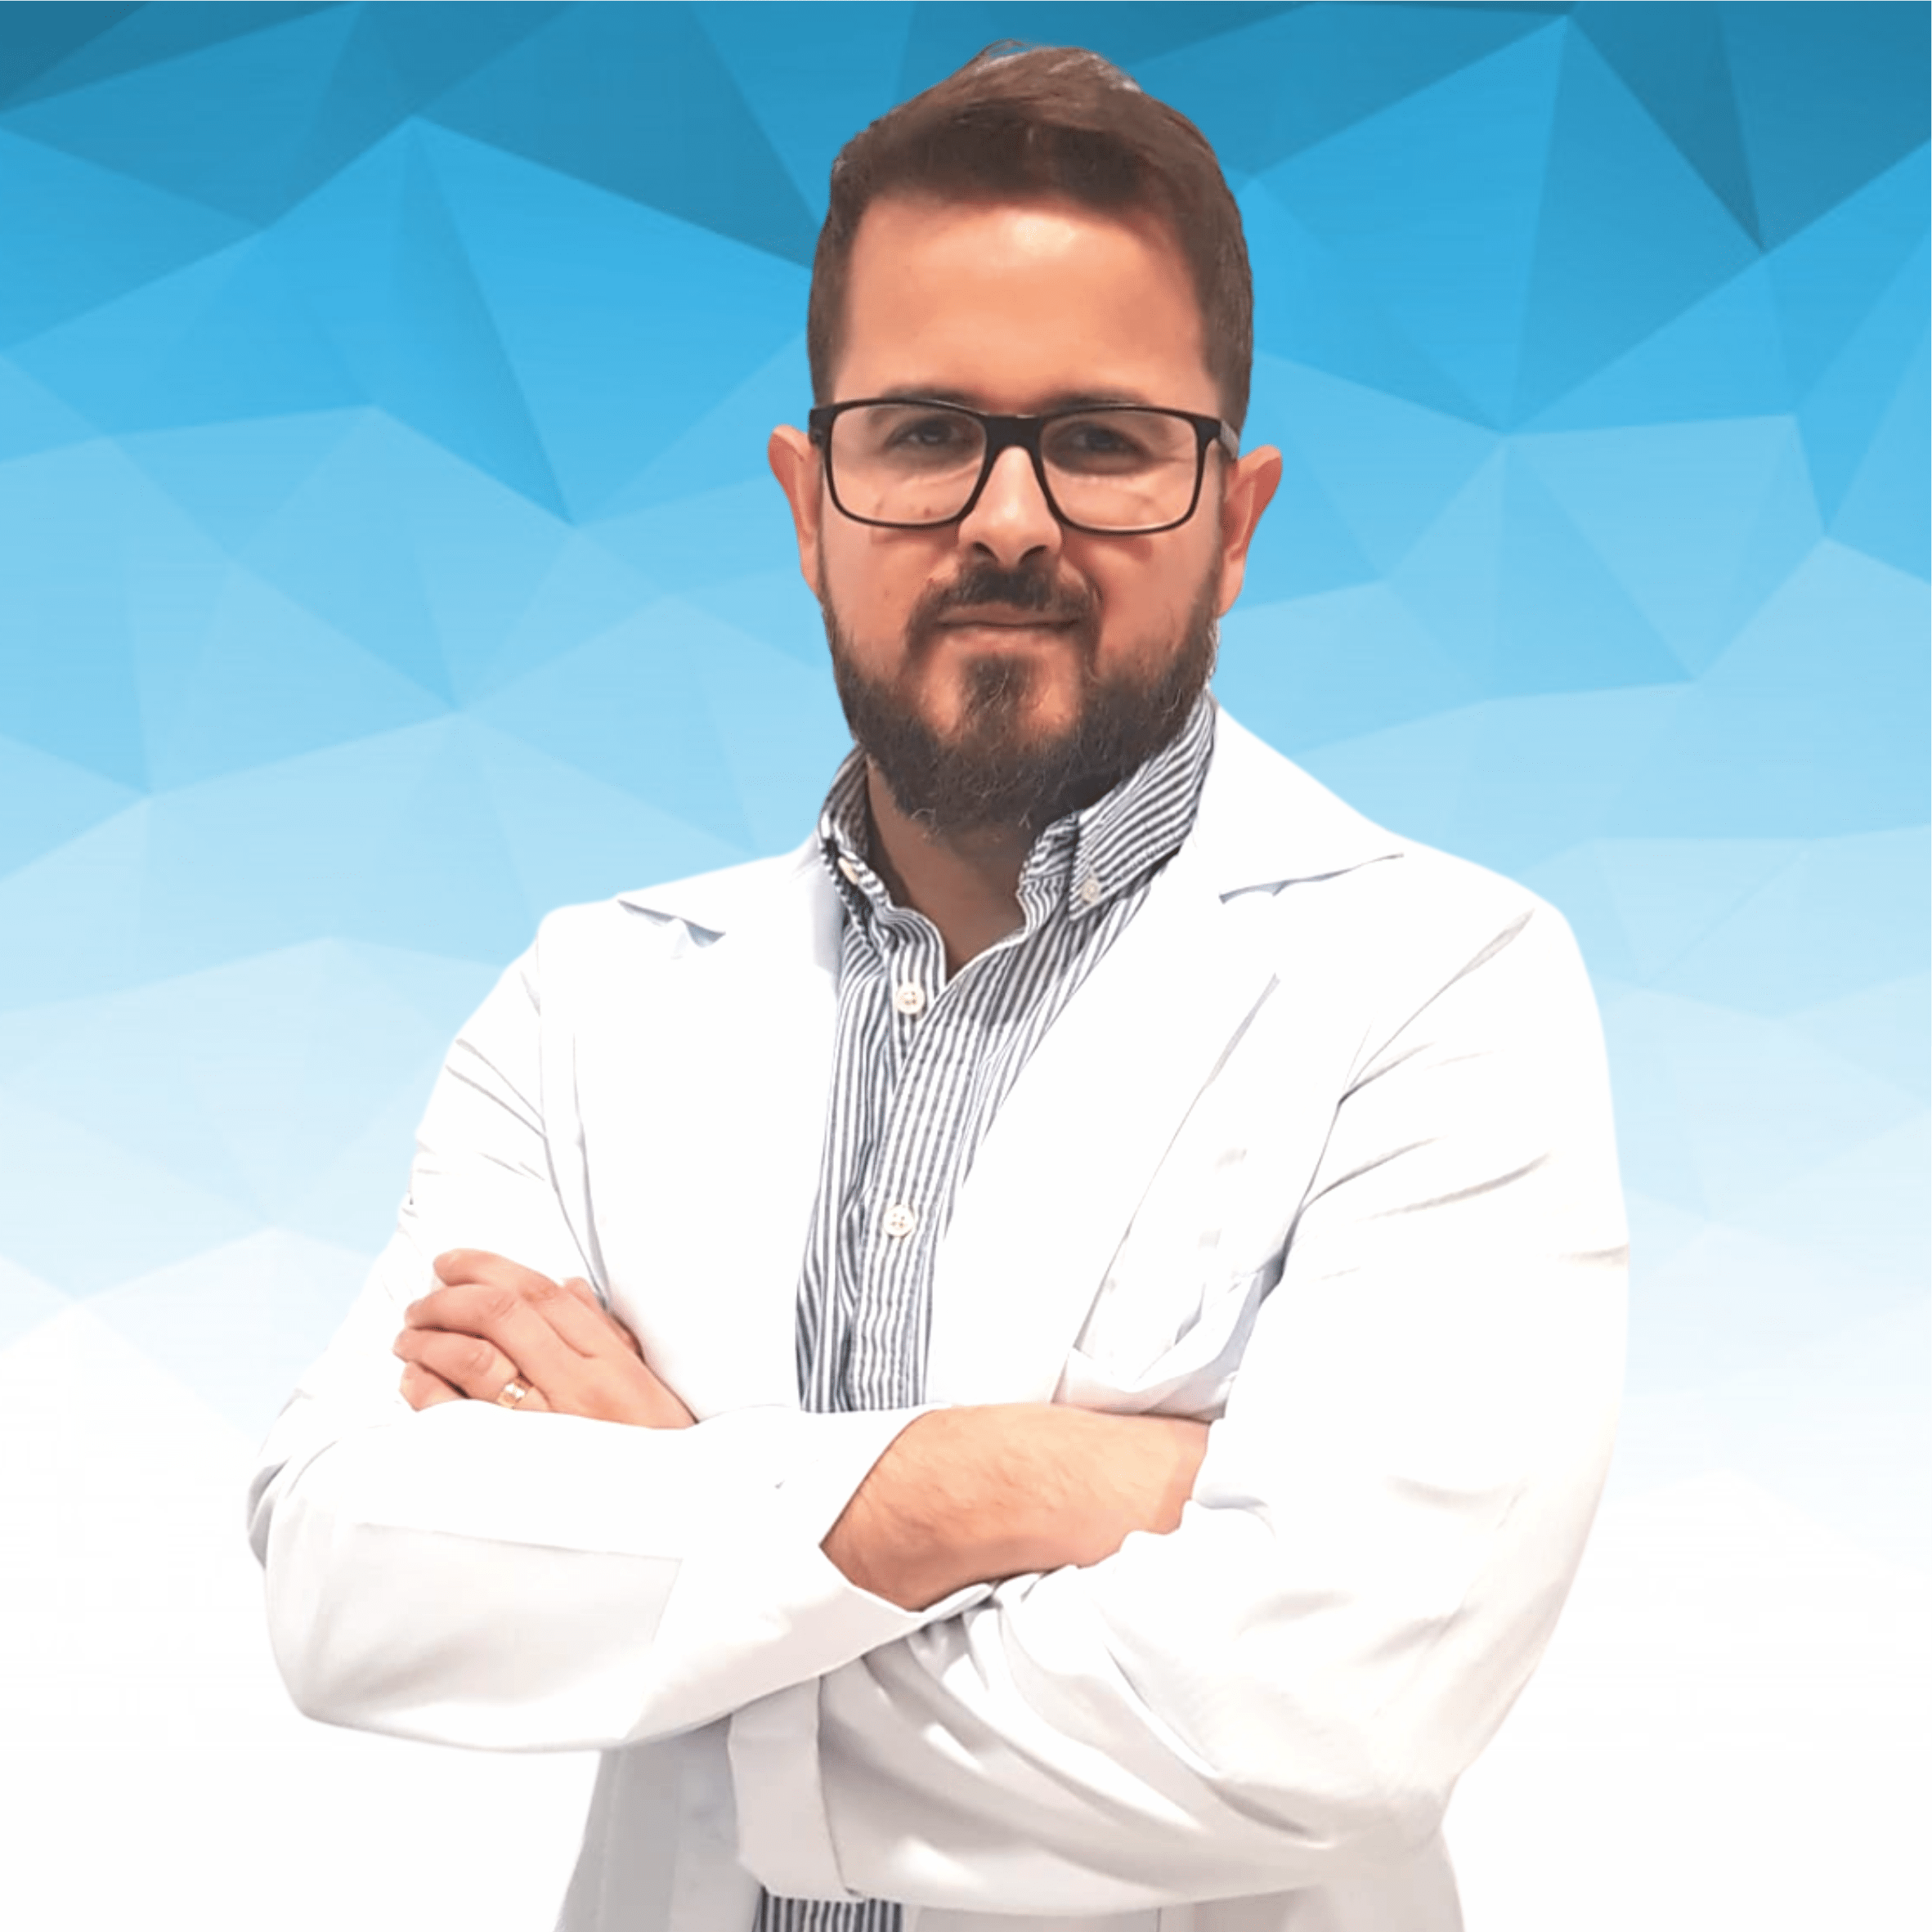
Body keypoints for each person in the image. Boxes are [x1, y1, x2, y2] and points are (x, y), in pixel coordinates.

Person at [249, 44, 1626, 1932]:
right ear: (807, 502)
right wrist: (984, 1486)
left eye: (1102, 441)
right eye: (920, 432)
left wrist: (676, 1554)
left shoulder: (1442, 986)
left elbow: (1312, 1730)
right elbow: (351, 1577)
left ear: (1233, 521)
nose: (1007, 519)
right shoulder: (590, 1003)